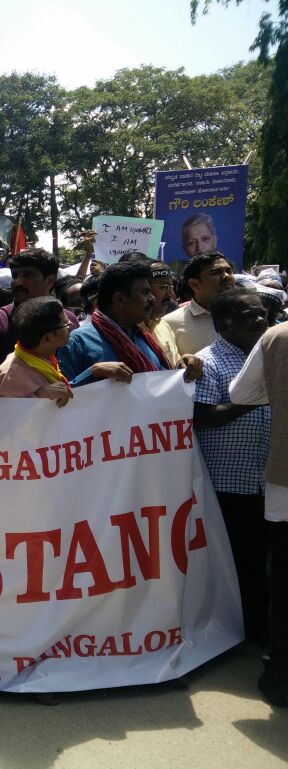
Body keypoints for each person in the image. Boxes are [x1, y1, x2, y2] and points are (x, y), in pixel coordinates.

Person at [193, 288, 271, 645]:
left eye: (262, 314)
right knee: (240, 562)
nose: (259, 320)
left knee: (265, 560)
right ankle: (243, 631)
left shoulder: (270, 356)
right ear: (223, 323)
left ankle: (262, 626)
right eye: (247, 315)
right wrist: (254, 399)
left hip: (267, 480)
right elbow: (202, 418)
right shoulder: (207, 362)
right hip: (228, 482)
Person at [229, 320, 288, 707]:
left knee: (284, 584)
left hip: (285, 481)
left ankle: (282, 676)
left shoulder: (279, 336)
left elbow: (240, 393)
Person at [58, 261, 201, 387]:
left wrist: (182, 367)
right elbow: (58, 399)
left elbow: (157, 385)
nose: (152, 298)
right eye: (145, 293)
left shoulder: (144, 338)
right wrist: (92, 373)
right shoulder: (79, 341)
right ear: (120, 299)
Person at [0, 249, 79, 390]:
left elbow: (76, 370)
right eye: (15, 275)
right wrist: (28, 397)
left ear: (50, 280)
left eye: (27, 275)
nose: (18, 282)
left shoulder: (70, 320)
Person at [0, 297, 73, 406]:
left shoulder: (42, 357)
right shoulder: (10, 377)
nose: (71, 324)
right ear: (47, 339)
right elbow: (2, 418)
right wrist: (37, 397)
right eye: (65, 324)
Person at [162, 250, 235, 357]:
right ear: (194, 284)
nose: (226, 276)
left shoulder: (248, 315)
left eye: (229, 271)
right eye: (215, 273)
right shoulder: (170, 323)